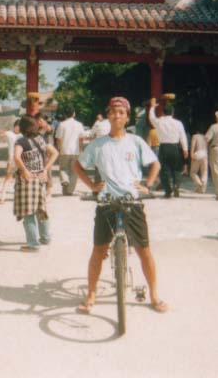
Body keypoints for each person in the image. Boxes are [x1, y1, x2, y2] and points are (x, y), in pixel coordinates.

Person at [73, 96, 167, 314]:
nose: (116, 115)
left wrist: (148, 184)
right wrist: (92, 186)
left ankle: (154, 295)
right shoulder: (98, 144)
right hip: (106, 201)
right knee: (98, 250)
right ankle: (91, 295)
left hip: (131, 201)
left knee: (144, 251)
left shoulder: (136, 142)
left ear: (127, 117)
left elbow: (155, 163)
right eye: (113, 112)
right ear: (108, 116)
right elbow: (78, 166)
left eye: (121, 112)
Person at [13, 115, 59, 251]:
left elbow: (16, 157)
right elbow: (55, 153)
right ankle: (46, 237)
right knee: (41, 209)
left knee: (28, 212)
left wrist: (24, 170)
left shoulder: (21, 141)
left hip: (26, 180)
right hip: (40, 178)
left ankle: (33, 244)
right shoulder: (41, 140)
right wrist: (45, 168)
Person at [148, 97, 188, 198]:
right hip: (175, 147)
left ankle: (168, 191)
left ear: (163, 113)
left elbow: (151, 118)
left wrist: (152, 107)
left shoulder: (159, 122)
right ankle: (176, 185)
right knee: (177, 169)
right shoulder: (178, 123)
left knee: (164, 170)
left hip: (163, 148)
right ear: (172, 113)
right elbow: (183, 136)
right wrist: (185, 149)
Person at [55, 106, 85, 195]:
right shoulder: (79, 124)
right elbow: (81, 138)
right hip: (75, 151)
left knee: (63, 168)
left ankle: (64, 179)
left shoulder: (62, 124)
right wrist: (81, 149)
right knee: (74, 171)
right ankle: (70, 191)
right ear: (74, 113)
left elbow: (58, 139)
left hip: (64, 150)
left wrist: (59, 149)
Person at [0, 119, 22, 204]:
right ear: (14, 126)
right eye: (16, 126)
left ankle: (19, 197)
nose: (17, 128)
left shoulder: (23, 135)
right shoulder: (10, 133)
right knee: (8, 177)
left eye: (19, 127)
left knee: (21, 178)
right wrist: (3, 132)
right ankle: (2, 197)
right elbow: (0, 135)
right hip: (12, 159)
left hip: (21, 159)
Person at [189, 124, 209, 193]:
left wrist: (191, 154)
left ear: (196, 131)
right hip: (205, 154)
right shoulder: (205, 137)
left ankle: (198, 183)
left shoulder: (195, 136)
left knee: (193, 172)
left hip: (197, 154)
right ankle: (202, 187)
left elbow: (193, 146)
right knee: (204, 172)